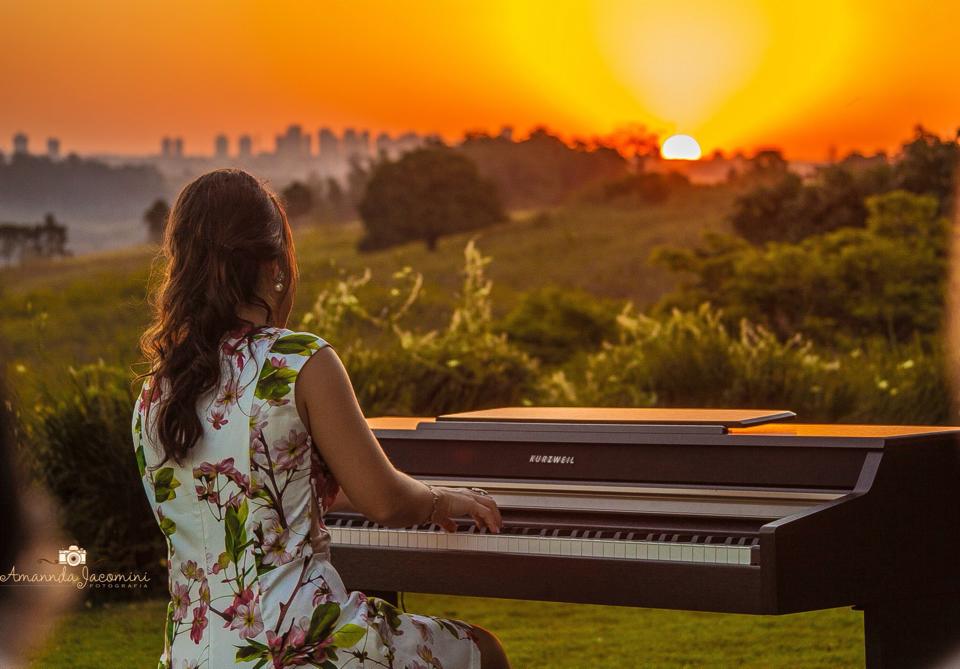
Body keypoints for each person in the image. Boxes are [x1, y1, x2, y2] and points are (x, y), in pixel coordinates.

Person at [133, 168, 510, 669]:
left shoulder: (157, 389)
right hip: (300, 643)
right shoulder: (299, 361)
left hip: (190, 653)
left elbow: (254, 485)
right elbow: (386, 501)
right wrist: (442, 500)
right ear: (275, 265)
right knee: (482, 651)